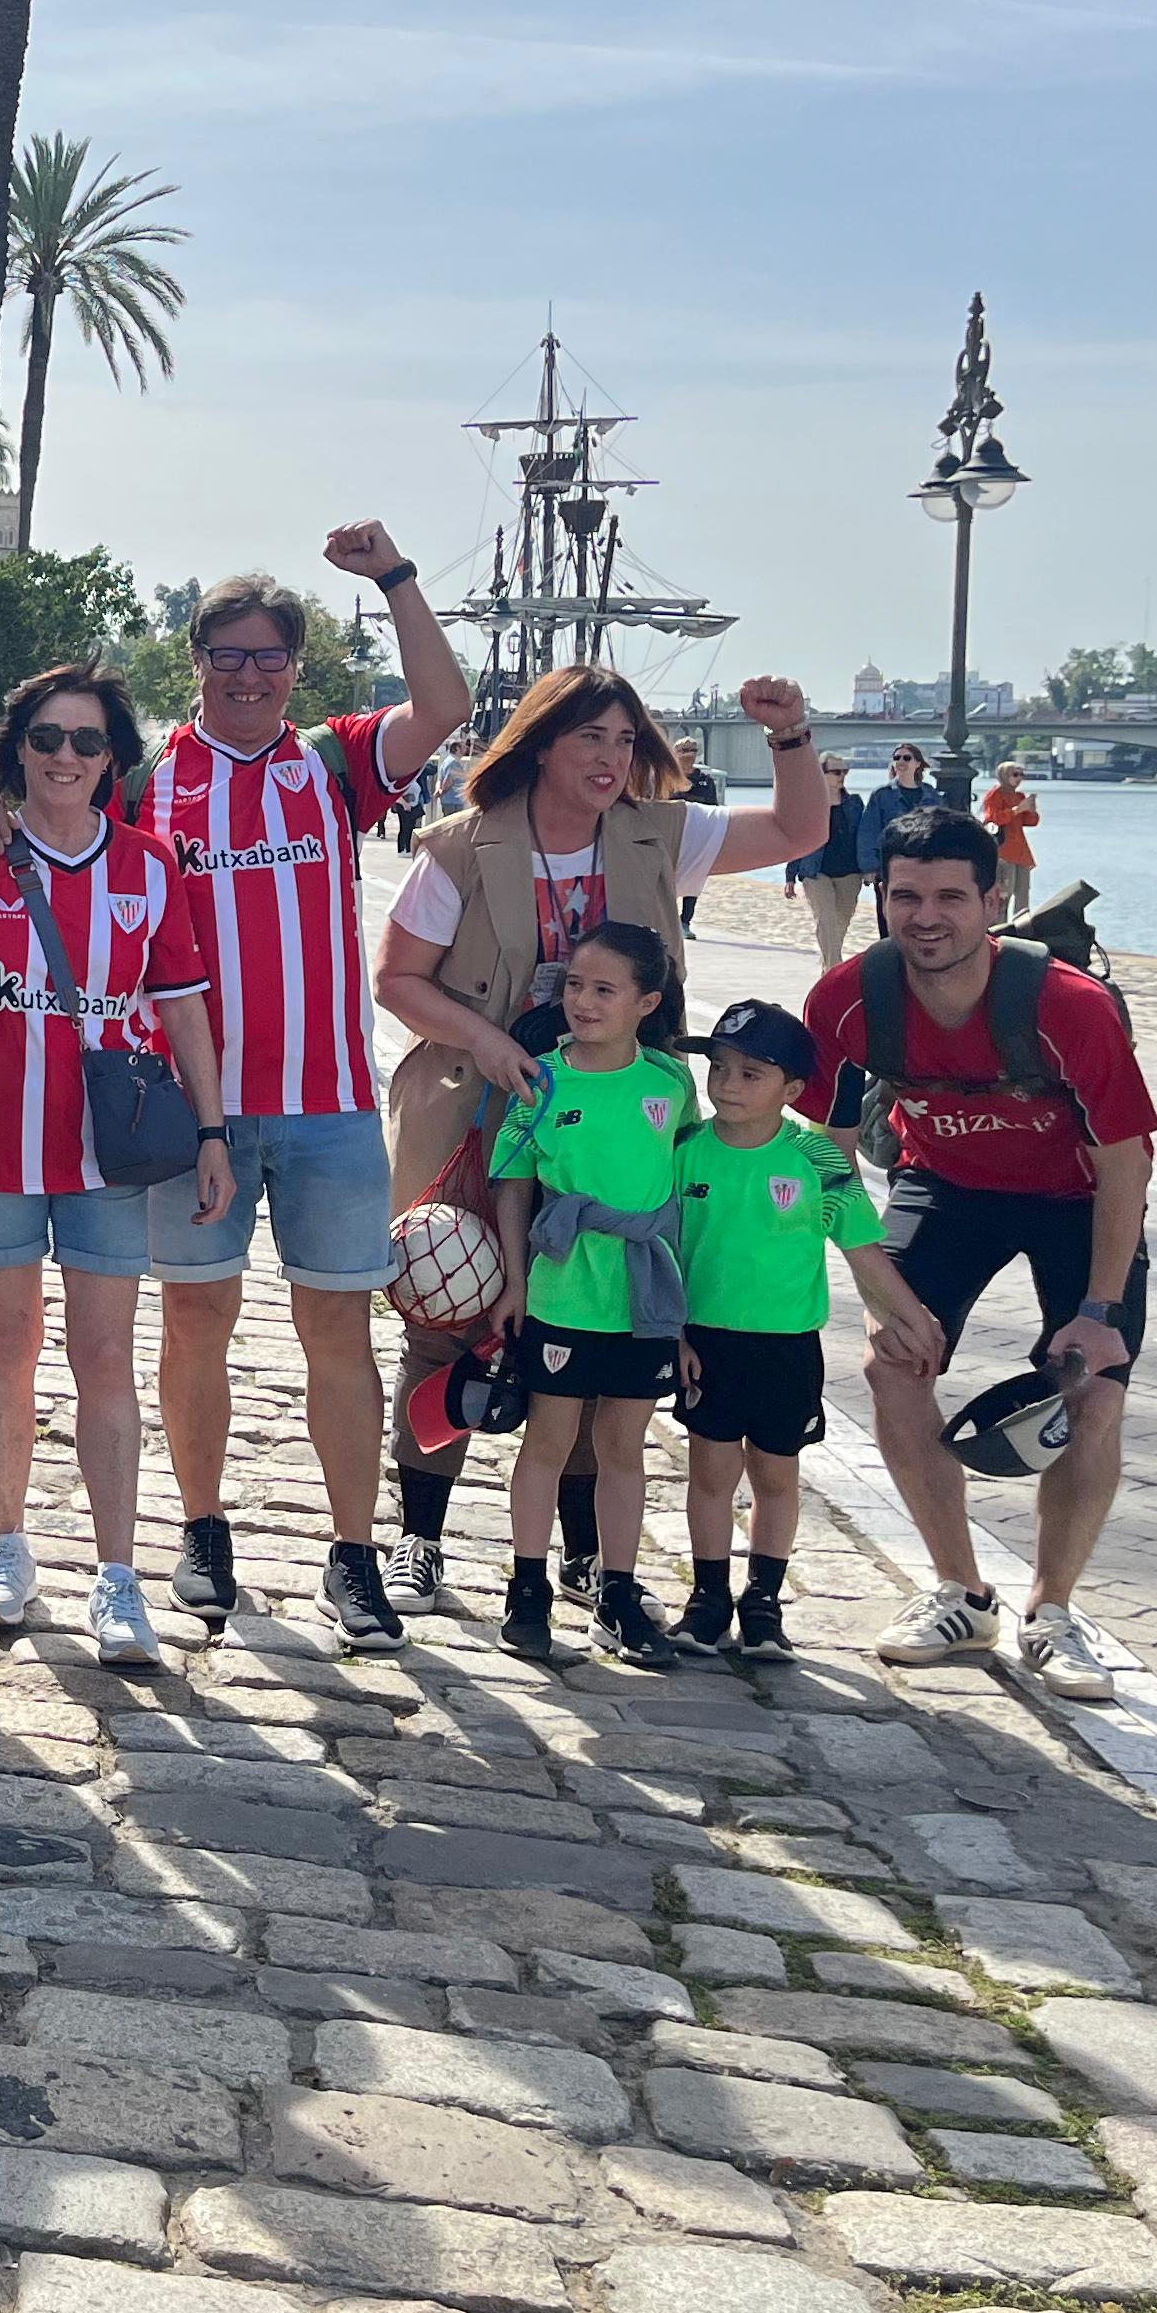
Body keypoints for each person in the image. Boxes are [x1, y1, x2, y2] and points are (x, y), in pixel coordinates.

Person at [0, 527, 470, 1654]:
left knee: (338, 1329)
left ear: (297, 669)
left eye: (268, 658)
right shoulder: (150, 780)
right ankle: (199, 1530)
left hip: (329, 1099)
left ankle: (351, 1556)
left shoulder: (335, 764)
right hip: (188, 1113)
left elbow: (444, 701)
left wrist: (394, 578)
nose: (248, 675)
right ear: (196, 665)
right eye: (226, 656)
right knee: (194, 1325)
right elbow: (52, 819)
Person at [375, 667, 827, 1616]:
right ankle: (419, 1537)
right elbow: (398, 980)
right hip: (474, 1110)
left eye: (625, 742)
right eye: (591, 739)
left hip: (618, 1126)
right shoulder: (462, 846)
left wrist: (789, 737)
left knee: (599, 1319)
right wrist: (491, 1042)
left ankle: (582, 1557)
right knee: (448, 1316)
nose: (612, 759)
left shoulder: (660, 834)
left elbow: (799, 833)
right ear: (543, 743)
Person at [798, 806, 1157, 1702]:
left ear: (991, 901)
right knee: (893, 1368)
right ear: (879, 897)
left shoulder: (1067, 1008)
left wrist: (1102, 1312)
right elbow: (823, 1158)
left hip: (1078, 1200)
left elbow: (1126, 1164)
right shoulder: (844, 1000)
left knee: (1093, 1393)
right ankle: (961, 1594)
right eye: (906, 895)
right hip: (947, 1186)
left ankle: (1054, 1614)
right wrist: (883, 1292)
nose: (927, 916)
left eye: (951, 897)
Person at [0, 663, 234, 1669]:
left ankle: (117, 1576)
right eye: (46, 738)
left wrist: (215, 1131)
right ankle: (7, 1543)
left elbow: (182, 1002)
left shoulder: (149, 863)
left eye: (86, 741)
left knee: (104, 1357)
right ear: (18, 748)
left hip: (112, 1152)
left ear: (115, 758)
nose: (64, 758)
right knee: (6, 1343)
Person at [666, 998, 911, 1661]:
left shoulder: (816, 1160)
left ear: (794, 1090)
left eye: (752, 1074)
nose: (727, 1086)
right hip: (705, 1342)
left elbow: (863, 1249)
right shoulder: (685, 1152)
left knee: (776, 1475)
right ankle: (708, 1599)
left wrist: (909, 1317)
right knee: (711, 1472)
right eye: (719, 1068)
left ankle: (764, 1603)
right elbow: (657, 1252)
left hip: (786, 1347)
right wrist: (673, 1334)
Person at [487, 925, 697, 1667]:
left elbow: (684, 1191)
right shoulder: (538, 1080)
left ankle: (617, 1594)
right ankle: (528, 1588)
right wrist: (515, 1280)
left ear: (648, 1002)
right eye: (574, 984)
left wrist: (686, 1311)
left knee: (623, 1449)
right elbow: (512, 1185)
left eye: (604, 989)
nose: (582, 1000)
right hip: (563, 1292)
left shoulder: (670, 1085)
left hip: (643, 1297)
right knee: (547, 1443)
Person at [860, 745, 955, 936]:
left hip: (926, 867)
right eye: (897, 758)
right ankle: (889, 955)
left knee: (922, 913)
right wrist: (869, 867)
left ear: (918, 763)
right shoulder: (882, 795)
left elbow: (943, 830)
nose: (901, 762)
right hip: (890, 868)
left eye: (906, 758)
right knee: (889, 917)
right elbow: (868, 831)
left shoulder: (931, 795)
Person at [789, 754, 865, 969]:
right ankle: (834, 971)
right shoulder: (810, 805)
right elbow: (798, 839)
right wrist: (790, 875)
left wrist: (870, 867)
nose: (842, 777)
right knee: (827, 921)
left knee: (840, 924)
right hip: (815, 871)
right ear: (822, 774)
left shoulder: (855, 803)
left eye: (844, 772)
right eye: (836, 772)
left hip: (850, 872)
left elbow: (863, 837)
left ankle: (827, 972)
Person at [671, 736, 724, 935]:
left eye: (693, 750)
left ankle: (685, 922)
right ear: (675, 753)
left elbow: (714, 811)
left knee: (693, 881)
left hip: (696, 839)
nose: (689, 755)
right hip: (671, 837)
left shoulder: (705, 782)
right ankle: (667, 920)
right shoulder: (667, 778)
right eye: (684, 750)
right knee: (667, 881)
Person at [981, 761, 1043, 922]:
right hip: (1004, 851)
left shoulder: (1019, 796)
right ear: (1004, 776)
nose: (1019, 779)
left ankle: (1021, 926)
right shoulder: (995, 794)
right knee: (1004, 893)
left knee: (1023, 893)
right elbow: (993, 819)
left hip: (1020, 852)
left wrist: (1031, 809)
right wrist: (1017, 810)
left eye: (1021, 775)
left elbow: (1030, 822)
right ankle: (999, 927)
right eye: (1015, 775)